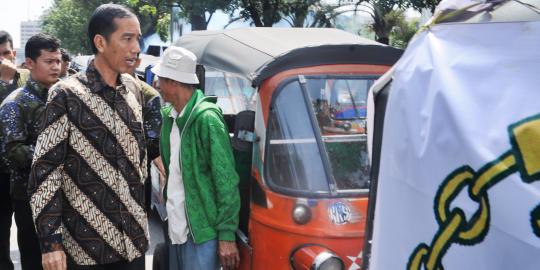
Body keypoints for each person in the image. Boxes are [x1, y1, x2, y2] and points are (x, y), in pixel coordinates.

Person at [28, 4, 161, 270]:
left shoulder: (135, 91)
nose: (136, 48)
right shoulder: (66, 94)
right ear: (100, 42)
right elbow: (46, 172)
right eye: (127, 38)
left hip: (133, 243)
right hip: (87, 247)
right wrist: (51, 244)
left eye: (138, 38)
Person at [151, 46, 240, 270]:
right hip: (176, 226)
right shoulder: (170, 118)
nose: (157, 84)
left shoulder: (207, 120)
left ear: (173, 82)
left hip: (202, 233)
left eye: (160, 79)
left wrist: (227, 236)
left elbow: (226, 180)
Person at [0, 33, 62, 270]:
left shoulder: (65, 97)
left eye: (58, 61)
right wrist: (55, 153)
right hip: (29, 197)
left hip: (65, 196)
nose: (56, 67)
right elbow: (14, 152)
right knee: (36, 261)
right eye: (49, 61)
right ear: (29, 63)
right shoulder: (16, 103)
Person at [0, 29, 30, 270]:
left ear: (13, 52)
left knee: (30, 238)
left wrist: (12, 80)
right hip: (1, 174)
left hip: (24, 174)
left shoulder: (28, 78)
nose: (3, 61)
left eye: (5, 54)